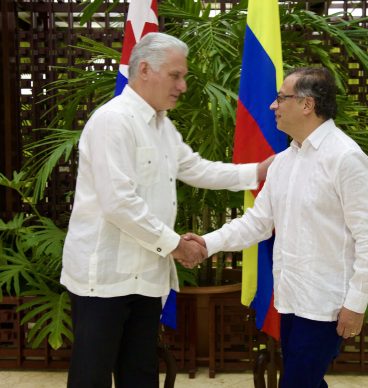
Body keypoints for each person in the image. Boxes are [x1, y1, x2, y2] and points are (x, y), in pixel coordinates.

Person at [60, 32, 273, 388]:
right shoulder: (113, 121)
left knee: (140, 373)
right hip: (104, 278)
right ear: (145, 69)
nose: (183, 86)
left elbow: (196, 168)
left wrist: (258, 171)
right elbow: (119, 203)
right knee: (91, 376)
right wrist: (176, 244)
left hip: (146, 274)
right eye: (176, 75)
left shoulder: (162, 125)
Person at [186, 67, 368, 388]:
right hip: (291, 299)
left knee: (296, 383)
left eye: (281, 98)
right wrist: (206, 244)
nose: (273, 105)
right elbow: (257, 223)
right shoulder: (283, 162)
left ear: (307, 105)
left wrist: (356, 302)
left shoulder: (346, 158)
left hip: (327, 305)